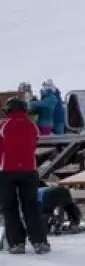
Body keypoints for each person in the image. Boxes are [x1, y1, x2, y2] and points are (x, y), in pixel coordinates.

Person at [1, 97, 50, 253]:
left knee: (10, 207)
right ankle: (39, 241)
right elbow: (35, 141)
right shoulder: (32, 125)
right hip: (29, 169)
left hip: (6, 170)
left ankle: (16, 243)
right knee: (31, 206)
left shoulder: (3, 125)